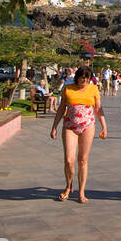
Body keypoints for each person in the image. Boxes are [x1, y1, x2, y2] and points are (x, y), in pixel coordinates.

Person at [50, 66, 107, 203]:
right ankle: (68, 186)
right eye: (83, 77)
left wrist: (104, 127)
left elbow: (98, 109)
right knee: (69, 160)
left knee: (83, 159)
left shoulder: (93, 89)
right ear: (77, 77)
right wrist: (54, 127)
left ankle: (81, 192)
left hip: (87, 126)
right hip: (70, 126)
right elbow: (61, 108)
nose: (85, 80)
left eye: (87, 78)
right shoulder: (68, 89)